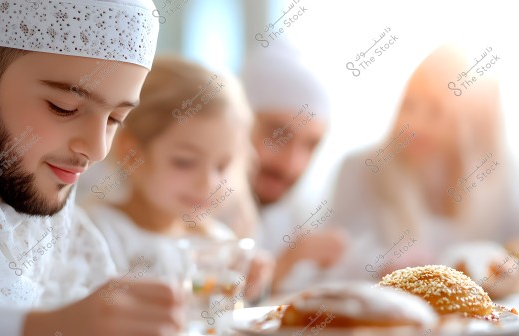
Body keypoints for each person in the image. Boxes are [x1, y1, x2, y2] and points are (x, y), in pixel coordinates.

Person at [0, 1, 184, 335]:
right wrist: (49, 326)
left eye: (116, 119)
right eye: (64, 107)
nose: (98, 149)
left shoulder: (53, 226)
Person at [329, 45, 519, 297]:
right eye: (409, 104)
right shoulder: (360, 167)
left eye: (435, 111)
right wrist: (382, 262)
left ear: (470, 120)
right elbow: (332, 257)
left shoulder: (500, 175)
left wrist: (507, 269)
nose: (414, 122)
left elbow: (510, 250)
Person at [81, 55, 273, 302]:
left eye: (222, 166)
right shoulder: (96, 234)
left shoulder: (218, 244)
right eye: (185, 162)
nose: (208, 184)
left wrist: (252, 291)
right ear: (132, 154)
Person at [240, 40, 345, 293]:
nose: (291, 165)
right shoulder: (185, 209)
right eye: (278, 135)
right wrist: (281, 268)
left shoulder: (290, 217)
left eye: (310, 145)